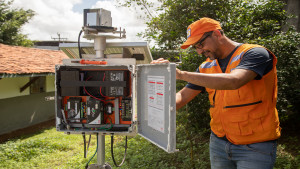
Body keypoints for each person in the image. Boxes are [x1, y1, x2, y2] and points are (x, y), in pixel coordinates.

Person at [151, 17, 281, 169]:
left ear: (217, 34)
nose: (199, 51)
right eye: (195, 47)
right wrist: (154, 107)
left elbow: (234, 81)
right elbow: (183, 95)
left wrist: (180, 74)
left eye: (200, 44)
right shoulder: (206, 66)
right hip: (219, 143)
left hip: (255, 146)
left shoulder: (255, 54)